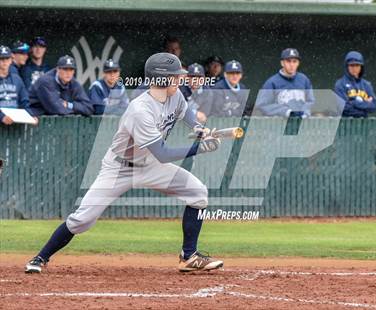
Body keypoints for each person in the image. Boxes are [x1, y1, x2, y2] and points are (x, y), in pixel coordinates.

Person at [24, 52, 224, 274]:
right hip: (120, 168)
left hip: (149, 165)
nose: (180, 80)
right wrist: (199, 148)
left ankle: (189, 257)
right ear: (162, 79)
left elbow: (185, 113)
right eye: (176, 76)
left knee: (198, 193)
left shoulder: (175, 95)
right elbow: (163, 154)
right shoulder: (141, 110)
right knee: (82, 220)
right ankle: (41, 257)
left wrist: (198, 128)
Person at [256, 48, 314, 117]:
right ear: (282, 63)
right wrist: (286, 112)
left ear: (298, 63)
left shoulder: (304, 79)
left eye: (294, 61)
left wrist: (304, 112)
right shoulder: (272, 82)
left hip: (301, 123)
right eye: (288, 61)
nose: (292, 64)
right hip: (280, 124)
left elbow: (311, 101)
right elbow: (262, 105)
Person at [27, 55, 93, 116]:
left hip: (50, 121)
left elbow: (89, 108)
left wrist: (69, 105)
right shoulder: (46, 82)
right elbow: (56, 109)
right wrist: (77, 110)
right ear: (58, 69)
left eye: (71, 69)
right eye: (65, 69)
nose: (68, 73)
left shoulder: (73, 83)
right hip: (32, 118)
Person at [334, 51, 376, 118]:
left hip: (363, 124)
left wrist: (353, 102)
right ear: (347, 66)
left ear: (361, 67)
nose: (354, 68)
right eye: (352, 65)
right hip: (344, 124)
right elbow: (343, 107)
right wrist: (364, 106)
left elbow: (373, 106)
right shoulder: (340, 84)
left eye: (357, 65)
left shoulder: (366, 85)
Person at [0, 45, 30, 126]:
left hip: (15, 124)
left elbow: (24, 101)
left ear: (11, 60)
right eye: (1, 59)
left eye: (7, 58)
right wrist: (1, 117)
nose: (4, 61)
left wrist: (30, 115)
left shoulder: (17, 79)